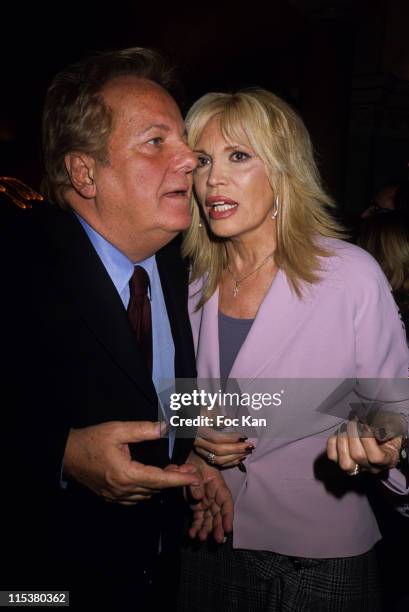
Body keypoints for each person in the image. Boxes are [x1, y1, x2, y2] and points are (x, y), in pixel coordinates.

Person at [0, 48, 231, 611]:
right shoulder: (15, 267)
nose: (190, 160)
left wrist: (194, 448)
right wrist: (61, 455)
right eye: (157, 142)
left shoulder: (188, 273)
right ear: (84, 172)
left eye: (185, 141)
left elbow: (167, 396)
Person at [178, 89, 408, 611]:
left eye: (239, 156)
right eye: (202, 160)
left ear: (283, 171)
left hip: (317, 561)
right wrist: (195, 442)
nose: (213, 178)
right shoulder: (191, 281)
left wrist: (380, 443)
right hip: (206, 542)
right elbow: (180, 394)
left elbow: (393, 408)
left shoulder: (348, 274)